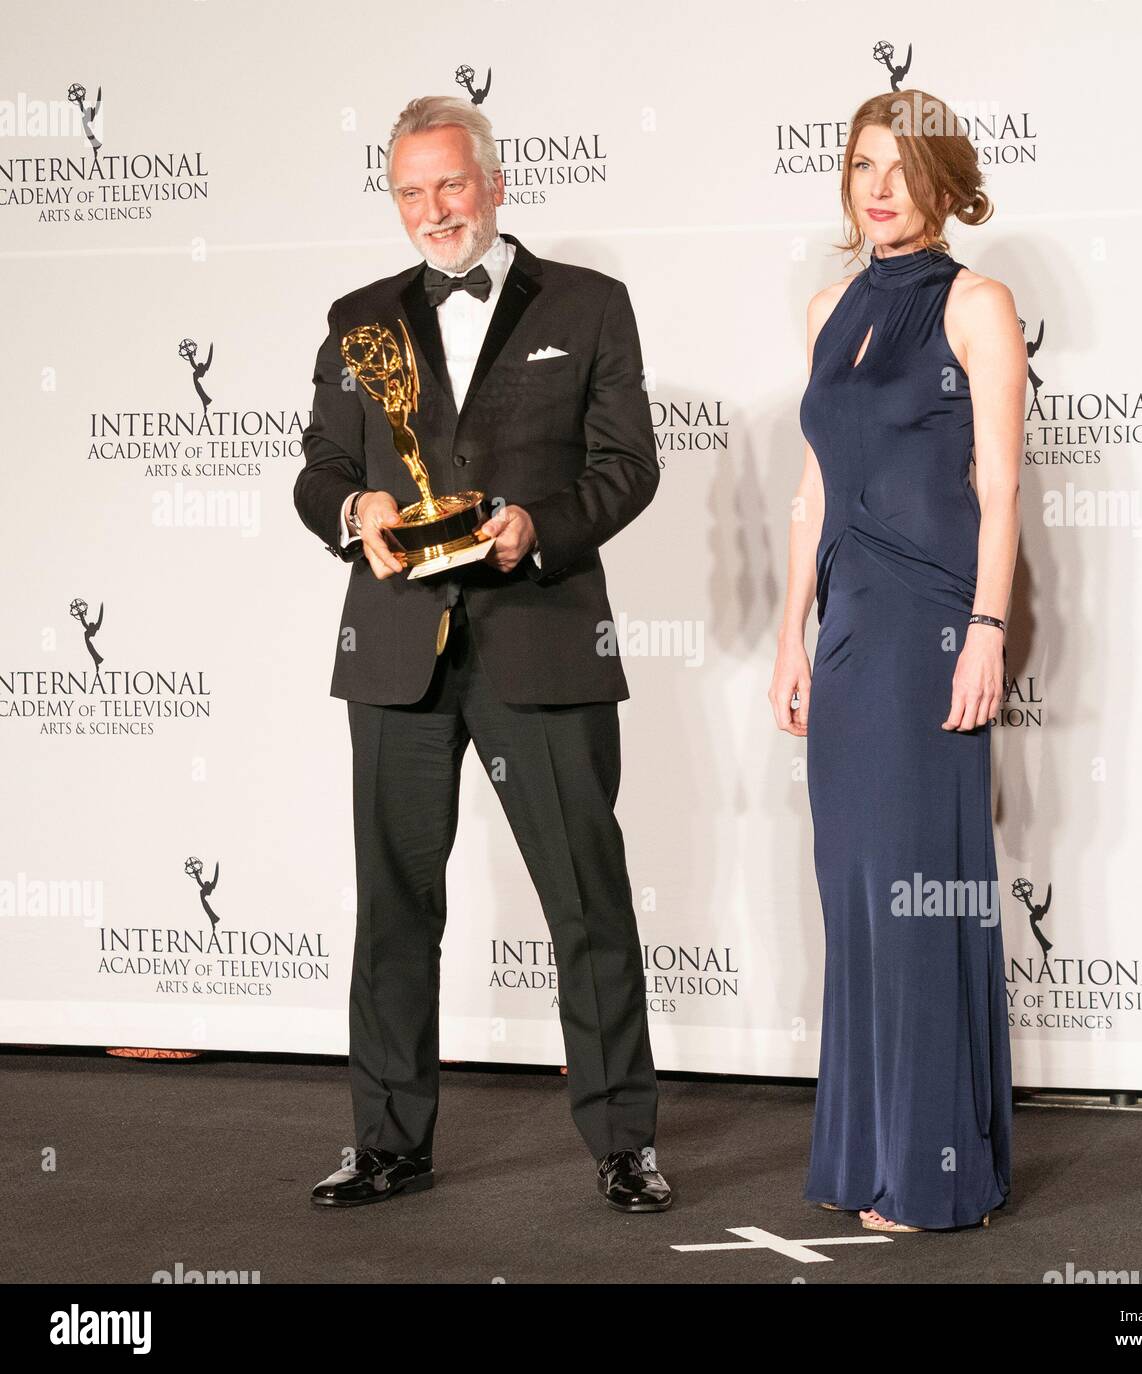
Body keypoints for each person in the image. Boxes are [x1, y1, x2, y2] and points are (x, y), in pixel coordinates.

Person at [293, 95, 670, 1213]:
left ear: (495, 182)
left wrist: (536, 529)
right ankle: (387, 1142)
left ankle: (622, 1141)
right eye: (409, 192)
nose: (431, 211)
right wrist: (353, 506)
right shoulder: (358, 317)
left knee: (585, 901)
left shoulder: (591, 305)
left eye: (449, 185)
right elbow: (316, 468)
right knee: (394, 904)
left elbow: (628, 465)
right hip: (397, 651)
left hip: (538, 636)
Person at [769, 89, 1024, 1232]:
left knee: (920, 895)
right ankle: (869, 1151)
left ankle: (932, 1169)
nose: (879, 188)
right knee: (858, 897)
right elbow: (813, 485)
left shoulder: (979, 304)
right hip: (850, 631)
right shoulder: (827, 307)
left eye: (901, 167)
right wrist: (790, 636)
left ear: (942, 180)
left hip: (931, 630)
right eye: (863, 164)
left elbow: (1003, 487)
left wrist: (986, 629)